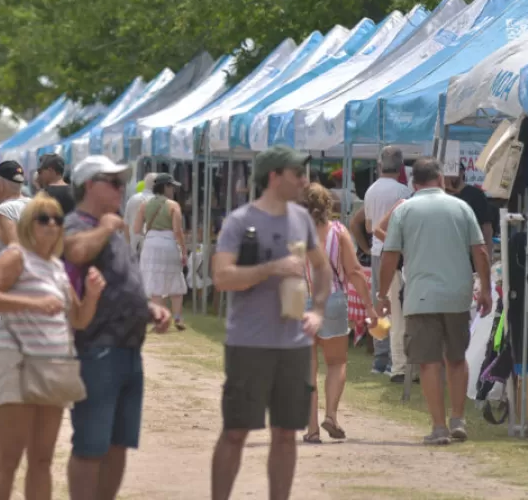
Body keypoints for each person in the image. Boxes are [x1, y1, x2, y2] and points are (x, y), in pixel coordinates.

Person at [209, 146, 327, 500]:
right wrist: (271, 269)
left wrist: (318, 309)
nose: (304, 181)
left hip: (293, 345)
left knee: (286, 433)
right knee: (235, 431)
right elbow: (221, 277)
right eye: (297, 173)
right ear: (274, 176)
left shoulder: (302, 219)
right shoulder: (239, 221)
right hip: (248, 344)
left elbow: (320, 267)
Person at [0, 195, 106, 500]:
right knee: (9, 458)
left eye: (57, 219)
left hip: (54, 367)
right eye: (42, 218)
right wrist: (31, 303)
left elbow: (79, 319)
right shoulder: (16, 256)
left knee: (42, 460)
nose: (51, 225)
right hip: (17, 365)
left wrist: (94, 296)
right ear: (27, 224)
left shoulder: (57, 267)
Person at [63, 155, 172, 500]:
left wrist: (149, 307)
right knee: (90, 446)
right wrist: (107, 227)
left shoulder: (110, 230)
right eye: (113, 181)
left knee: (118, 445)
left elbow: (123, 282)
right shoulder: (78, 225)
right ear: (89, 185)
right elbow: (74, 252)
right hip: (97, 349)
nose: (121, 188)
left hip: (128, 349)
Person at [378, 157, 492, 446]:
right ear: (441, 179)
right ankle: (458, 419)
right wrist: (487, 290)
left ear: (414, 184)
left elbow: (389, 255)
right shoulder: (462, 207)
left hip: (420, 296)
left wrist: (381, 295)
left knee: (428, 362)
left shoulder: (404, 210)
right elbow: (481, 251)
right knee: (456, 358)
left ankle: (439, 427)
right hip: (457, 294)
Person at [301, 183, 376, 443]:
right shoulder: (338, 231)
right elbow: (355, 271)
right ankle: (331, 415)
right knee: (336, 362)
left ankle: (311, 429)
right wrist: (368, 306)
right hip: (332, 299)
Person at [364, 146, 412, 378]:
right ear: (401, 166)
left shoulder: (371, 190)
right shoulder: (404, 190)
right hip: (393, 253)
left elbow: (367, 225)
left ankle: (379, 358)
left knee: (380, 305)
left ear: (380, 165)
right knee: (396, 308)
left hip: (376, 250)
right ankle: (395, 359)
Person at [135, 173, 188, 331]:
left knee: (154, 284)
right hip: (168, 243)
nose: (173, 190)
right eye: (171, 186)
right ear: (165, 187)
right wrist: (184, 250)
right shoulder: (173, 205)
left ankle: (159, 319)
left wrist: (151, 235)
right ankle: (178, 318)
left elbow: (136, 228)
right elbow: (178, 231)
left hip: (151, 243)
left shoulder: (144, 205)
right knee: (175, 281)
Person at [444, 167, 495, 251]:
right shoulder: (440, 196)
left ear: (462, 172)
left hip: (469, 250)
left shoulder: (476, 194)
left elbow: (486, 227)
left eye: (454, 171)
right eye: (447, 172)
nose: (450, 175)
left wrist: (487, 251)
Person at [124, 173, 156, 258]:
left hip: (133, 248)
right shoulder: (156, 201)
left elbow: (126, 226)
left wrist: (129, 246)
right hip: (150, 250)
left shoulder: (132, 199)